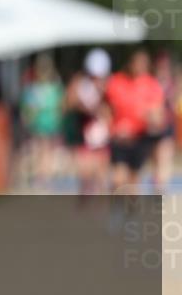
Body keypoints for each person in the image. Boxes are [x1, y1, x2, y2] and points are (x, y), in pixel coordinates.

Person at [104, 49, 166, 192]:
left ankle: (131, 210)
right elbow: (106, 107)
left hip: (140, 138)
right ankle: (115, 206)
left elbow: (159, 115)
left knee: (134, 179)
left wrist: (149, 116)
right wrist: (110, 126)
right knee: (118, 178)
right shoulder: (117, 81)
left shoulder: (151, 84)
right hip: (119, 138)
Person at [62, 48, 112, 196]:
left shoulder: (108, 84)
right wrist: (85, 108)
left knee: (101, 176)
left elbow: (110, 109)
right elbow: (68, 104)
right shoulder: (79, 83)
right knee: (85, 175)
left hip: (101, 136)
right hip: (83, 135)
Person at [19, 53, 64, 188]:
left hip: (50, 126)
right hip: (37, 126)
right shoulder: (32, 89)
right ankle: (39, 177)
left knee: (46, 151)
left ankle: (45, 178)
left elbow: (59, 107)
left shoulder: (55, 88)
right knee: (37, 151)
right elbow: (27, 110)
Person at [151, 51, 178, 193]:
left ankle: (160, 189)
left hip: (166, 127)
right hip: (151, 128)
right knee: (156, 162)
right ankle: (158, 186)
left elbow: (174, 105)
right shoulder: (150, 82)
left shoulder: (172, 84)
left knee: (163, 161)